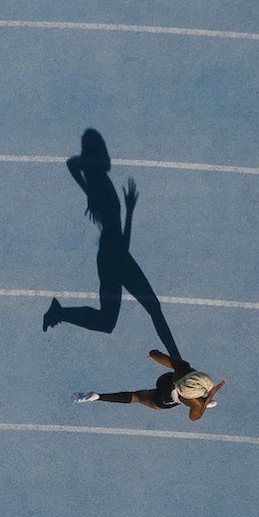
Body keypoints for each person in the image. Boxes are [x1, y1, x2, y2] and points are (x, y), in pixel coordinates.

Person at [41, 129, 184, 362]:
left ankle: (59, 312)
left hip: (112, 256)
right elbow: (123, 243)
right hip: (114, 258)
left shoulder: (98, 184)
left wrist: (88, 190)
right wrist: (129, 211)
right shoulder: (102, 187)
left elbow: (72, 164)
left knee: (119, 319)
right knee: (145, 311)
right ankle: (178, 362)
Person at [74, 350, 224, 419]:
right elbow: (195, 417)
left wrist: (152, 354)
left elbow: (154, 353)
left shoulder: (183, 367)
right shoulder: (195, 403)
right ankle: (97, 397)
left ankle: (98, 396)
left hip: (166, 381)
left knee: (140, 395)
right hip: (166, 400)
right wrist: (207, 398)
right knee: (137, 397)